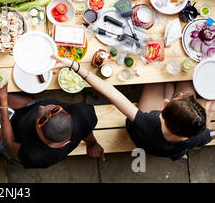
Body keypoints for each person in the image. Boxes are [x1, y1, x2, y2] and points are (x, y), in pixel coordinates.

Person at [52, 55, 215, 161]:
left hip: (142, 136)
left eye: (169, 102)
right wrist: (206, 115)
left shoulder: (148, 122)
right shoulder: (200, 135)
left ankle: (168, 86)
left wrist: (75, 66)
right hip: (170, 148)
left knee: (157, 76)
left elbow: (112, 93)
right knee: (181, 79)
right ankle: (170, 87)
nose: (166, 100)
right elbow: (209, 134)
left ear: (164, 110)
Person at [0, 68, 104, 169]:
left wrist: (3, 103)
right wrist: (93, 144)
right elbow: (86, 129)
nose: (42, 108)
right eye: (54, 109)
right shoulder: (83, 114)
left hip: (10, 136)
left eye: (41, 119)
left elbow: (10, 145)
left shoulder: (37, 156)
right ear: (68, 116)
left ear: (43, 138)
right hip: (25, 110)